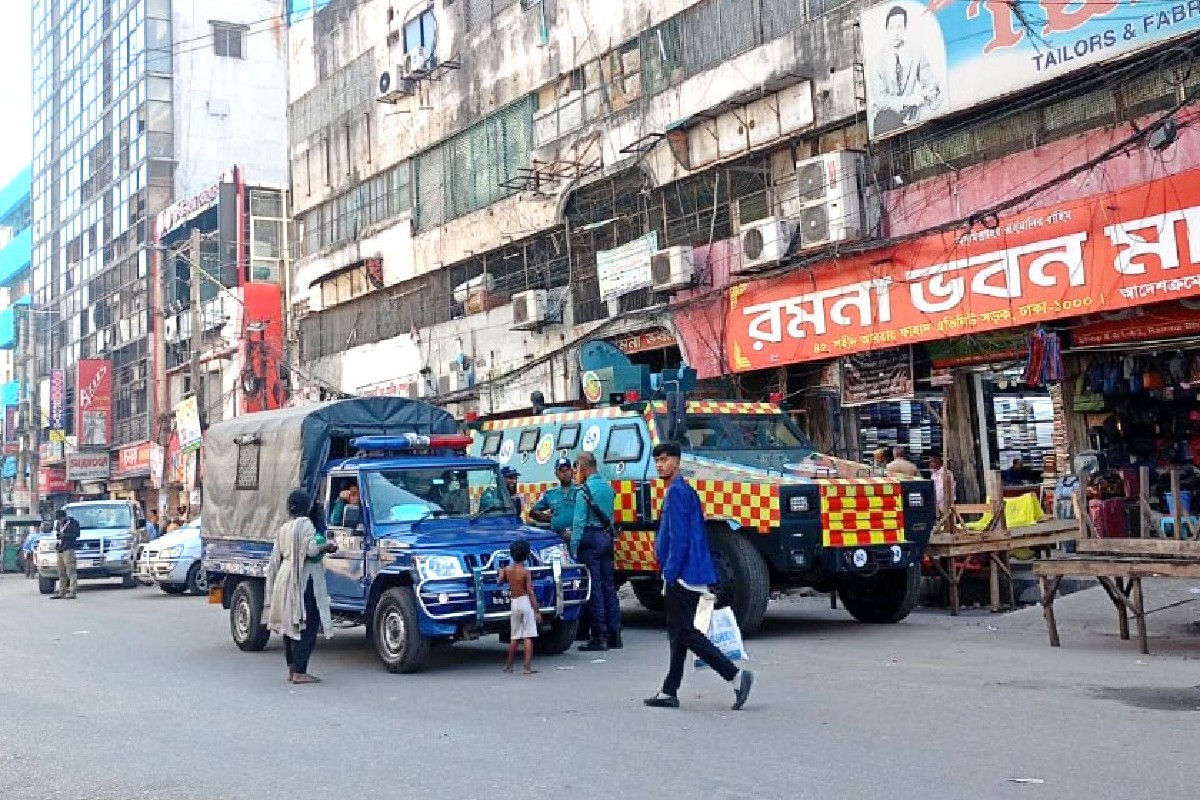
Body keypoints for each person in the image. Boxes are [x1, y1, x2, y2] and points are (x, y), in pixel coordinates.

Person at [644, 442, 754, 711]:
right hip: (687, 572)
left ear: (677, 462)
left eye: (665, 460)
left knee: (687, 633)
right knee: (678, 633)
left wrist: (670, 574)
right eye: (657, 460)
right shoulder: (680, 491)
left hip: (684, 574)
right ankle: (670, 690)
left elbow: (679, 539)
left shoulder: (678, 493)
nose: (660, 465)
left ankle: (735, 676)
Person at [265, 488, 338, 685]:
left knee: (290, 626)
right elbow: (312, 550)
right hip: (303, 580)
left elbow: (274, 560)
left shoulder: (284, 528)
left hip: (284, 577)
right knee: (307, 625)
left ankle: (292, 669)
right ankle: (300, 671)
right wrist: (328, 546)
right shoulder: (305, 525)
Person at [570, 452, 621, 651]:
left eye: (577, 469)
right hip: (606, 538)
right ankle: (615, 634)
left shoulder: (584, 491)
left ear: (583, 468)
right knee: (609, 587)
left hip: (590, 539)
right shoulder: (608, 489)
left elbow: (579, 521)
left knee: (595, 588)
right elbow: (610, 516)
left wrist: (574, 548)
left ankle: (599, 636)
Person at [869, 5, 944, 135]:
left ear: (905, 28)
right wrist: (907, 101)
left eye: (899, 27)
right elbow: (881, 100)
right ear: (886, 30)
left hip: (911, 115)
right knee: (888, 120)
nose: (896, 32)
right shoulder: (876, 62)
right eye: (892, 28)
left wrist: (931, 90)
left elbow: (929, 80)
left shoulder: (916, 51)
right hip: (885, 120)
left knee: (933, 117)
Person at [500, 539, 541, 675]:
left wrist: (500, 573)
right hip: (525, 601)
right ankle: (527, 667)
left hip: (515, 602)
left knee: (514, 636)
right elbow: (530, 591)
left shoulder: (507, 570)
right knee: (528, 636)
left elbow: (500, 581)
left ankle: (509, 666)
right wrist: (536, 610)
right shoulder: (525, 572)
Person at [529, 458, 577, 542]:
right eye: (562, 471)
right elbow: (533, 512)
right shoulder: (551, 493)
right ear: (556, 474)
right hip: (557, 536)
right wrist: (552, 519)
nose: (565, 473)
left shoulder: (580, 491)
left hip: (578, 536)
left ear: (572, 471)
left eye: (568, 470)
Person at [50, 508, 81, 600]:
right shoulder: (60, 524)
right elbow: (58, 536)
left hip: (69, 549)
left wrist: (65, 535)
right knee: (61, 573)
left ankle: (72, 592)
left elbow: (76, 534)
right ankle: (62, 592)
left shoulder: (72, 523)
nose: (59, 521)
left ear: (64, 517)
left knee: (71, 572)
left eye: (60, 519)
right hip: (60, 549)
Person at [929, 450, 956, 514]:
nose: (931, 464)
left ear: (937, 460)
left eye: (932, 461)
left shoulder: (946, 473)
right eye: (930, 462)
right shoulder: (933, 474)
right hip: (937, 504)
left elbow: (942, 491)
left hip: (946, 503)